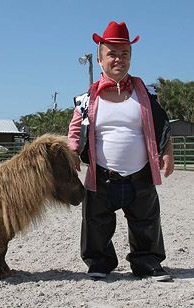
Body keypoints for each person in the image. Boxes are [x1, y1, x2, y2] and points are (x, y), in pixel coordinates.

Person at [68, 21, 174, 282]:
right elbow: (73, 132)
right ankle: (99, 263)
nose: (119, 59)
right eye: (112, 54)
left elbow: (163, 124)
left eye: (124, 54)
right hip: (102, 175)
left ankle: (148, 264)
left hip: (141, 174)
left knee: (146, 221)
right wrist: (71, 158)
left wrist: (168, 152)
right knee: (96, 222)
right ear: (100, 59)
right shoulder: (86, 99)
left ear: (131, 57)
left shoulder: (147, 93)